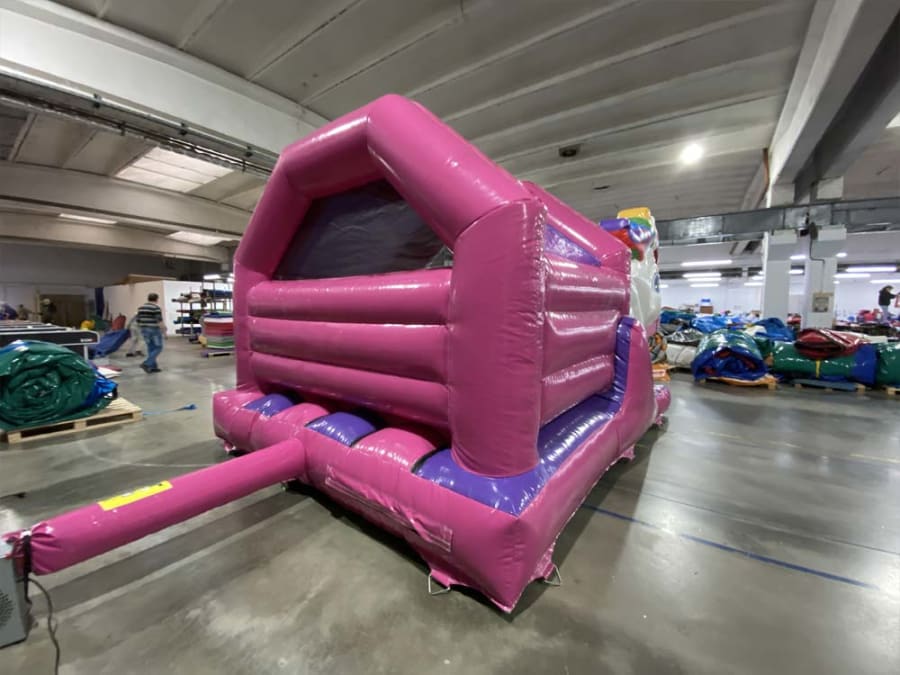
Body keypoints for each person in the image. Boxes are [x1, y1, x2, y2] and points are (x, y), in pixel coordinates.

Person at [135, 293, 166, 373]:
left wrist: (142, 328)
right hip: (154, 330)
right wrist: (164, 331)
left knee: (151, 348)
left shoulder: (141, 308)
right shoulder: (156, 308)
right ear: (156, 299)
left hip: (144, 330)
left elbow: (138, 320)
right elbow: (159, 320)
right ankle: (147, 363)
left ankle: (152, 367)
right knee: (158, 347)